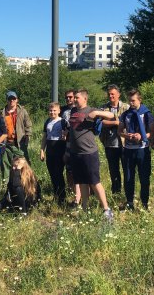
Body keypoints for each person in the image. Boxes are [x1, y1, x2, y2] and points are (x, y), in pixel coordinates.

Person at [67, 89, 116, 221]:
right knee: (82, 182)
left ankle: (107, 210)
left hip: (88, 152)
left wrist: (96, 113)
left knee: (94, 182)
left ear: (85, 99)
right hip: (75, 152)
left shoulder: (90, 110)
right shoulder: (73, 111)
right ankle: (84, 209)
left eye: (77, 98)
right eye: (74, 98)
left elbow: (111, 115)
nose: (74, 100)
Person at [118, 90, 154, 211]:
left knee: (144, 178)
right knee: (128, 177)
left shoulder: (146, 113)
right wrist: (126, 136)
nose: (131, 103)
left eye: (133, 100)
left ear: (140, 100)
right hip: (128, 149)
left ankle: (144, 203)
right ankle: (129, 202)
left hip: (142, 149)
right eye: (129, 100)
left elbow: (152, 132)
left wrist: (142, 136)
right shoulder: (125, 114)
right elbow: (119, 131)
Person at [99, 85, 129, 194]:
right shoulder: (103, 108)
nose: (110, 96)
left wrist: (118, 124)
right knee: (113, 170)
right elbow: (102, 122)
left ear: (118, 95)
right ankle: (116, 192)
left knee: (127, 169)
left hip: (125, 143)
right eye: (109, 94)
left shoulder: (126, 107)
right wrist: (116, 123)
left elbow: (129, 122)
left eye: (113, 94)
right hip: (110, 144)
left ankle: (128, 192)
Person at [0, 91, 33, 180]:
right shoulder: (1, 113)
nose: (12, 101)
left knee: (24, 163)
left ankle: (27, 182)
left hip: (20, 144)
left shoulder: (22, 111)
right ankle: (7, 187)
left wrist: (27, 136)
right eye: (10, 99)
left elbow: (28, 125)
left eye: (13, 98)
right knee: (6, 165)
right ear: (6, 100)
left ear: (17, 99)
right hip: (6, 144)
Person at [40, 102, 67, 206]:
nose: (52, 112)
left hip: (60, 151)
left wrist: (66, 153)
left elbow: (67, 138)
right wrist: (42, 150)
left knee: (59, 174)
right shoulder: (47, 121)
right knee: (52, 174)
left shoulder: (63, 122)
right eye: (51, 110)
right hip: (50, 151)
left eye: (55, 110)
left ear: (59, 111)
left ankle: (62, 197)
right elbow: (44, 138)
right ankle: (56, 196)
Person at [61, 89, 81, 207]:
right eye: (66, 97)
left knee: (78, 168)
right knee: (68, 167)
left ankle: (80, 193)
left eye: (70, 97)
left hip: (77, 142)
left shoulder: (78, 110)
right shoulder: (63, 110)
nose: (68, 99)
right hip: (65, 142)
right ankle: (70, 189)